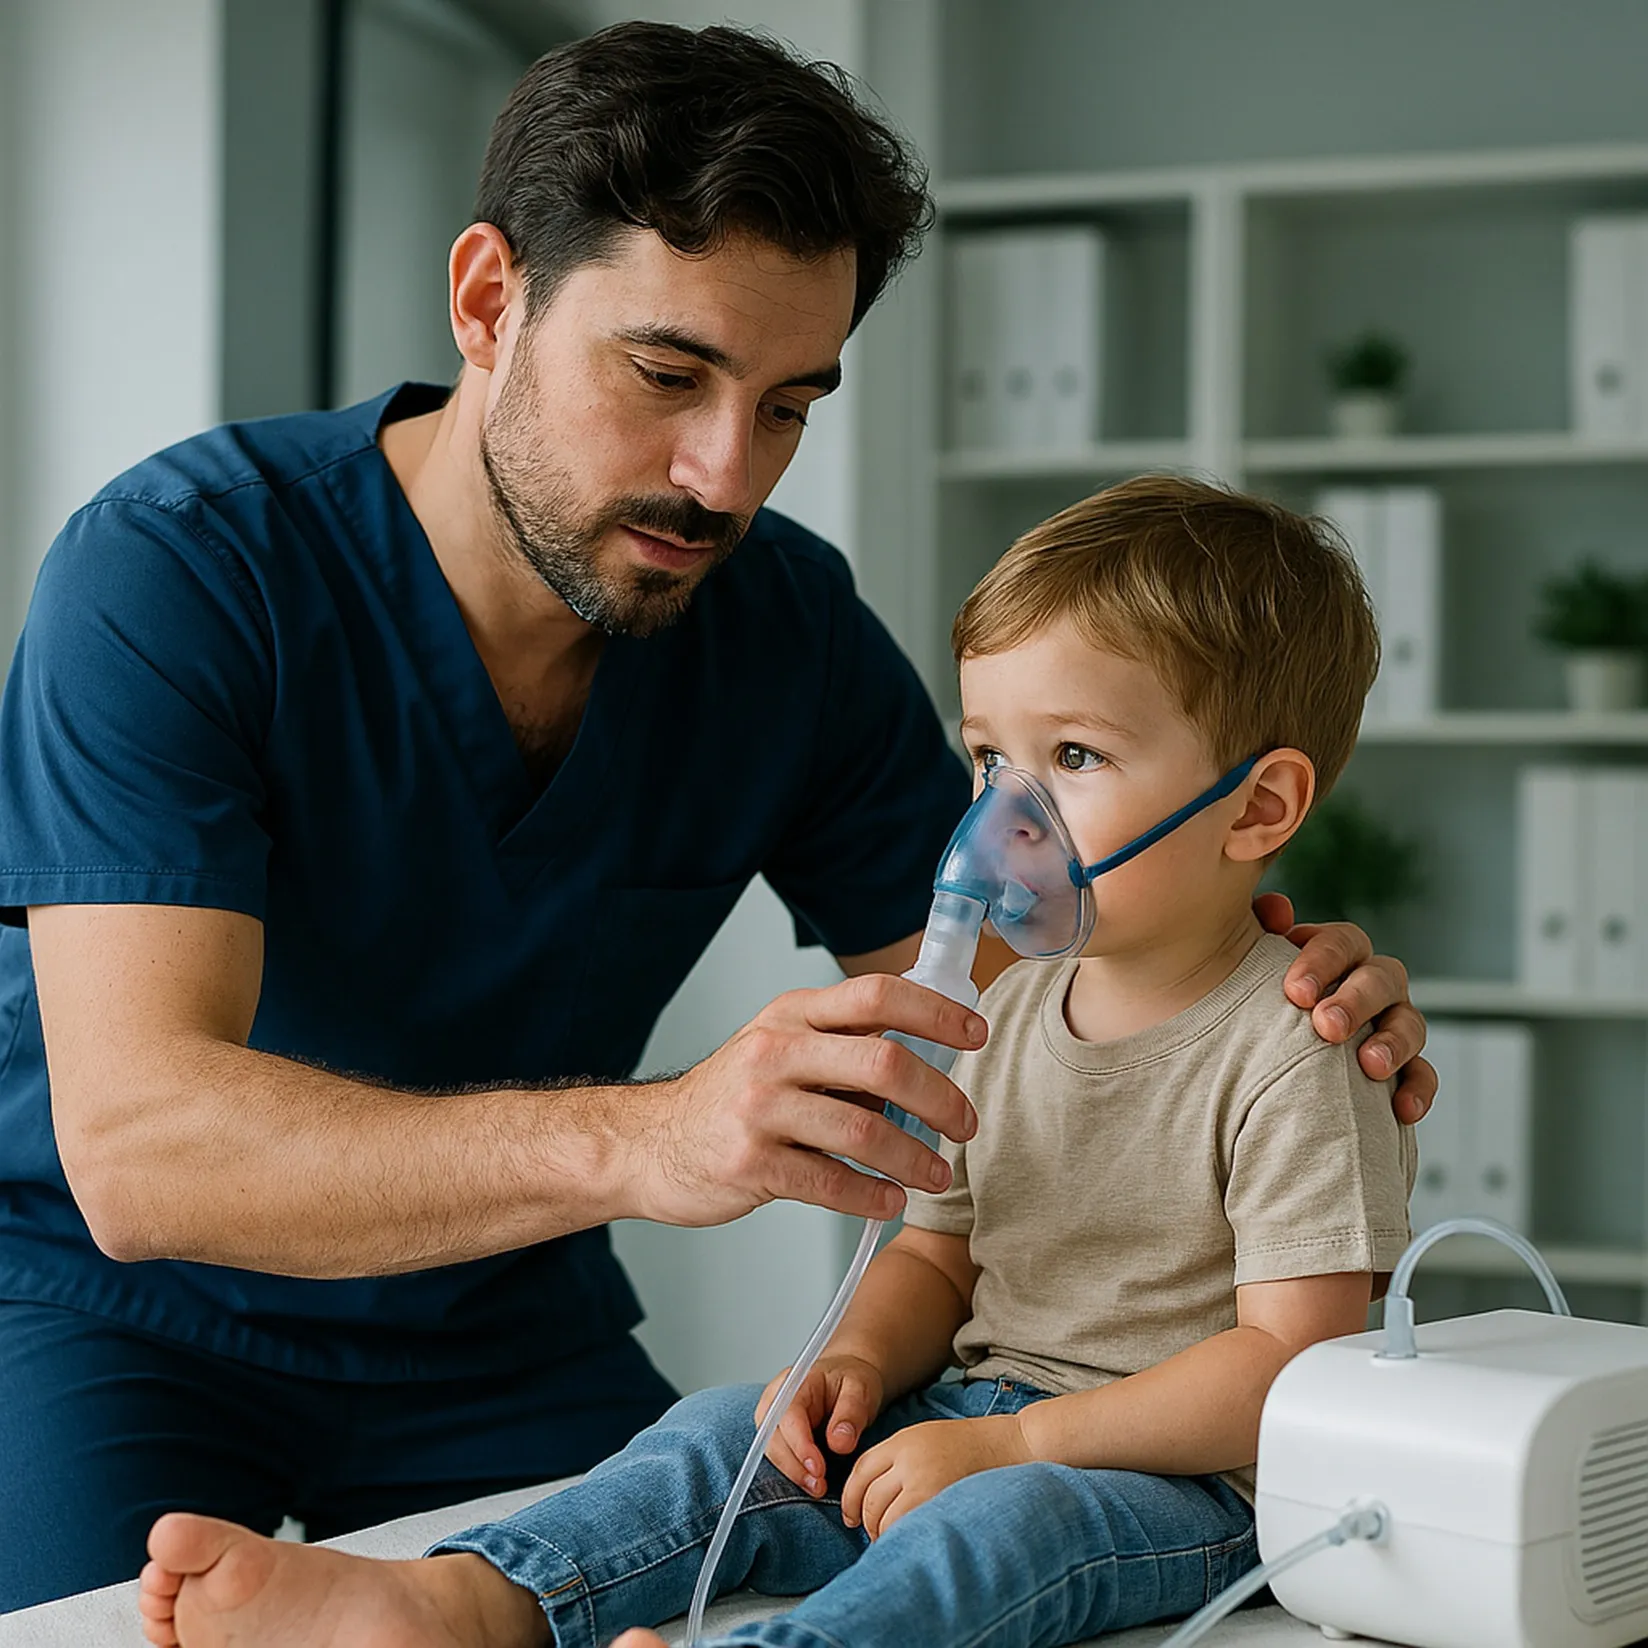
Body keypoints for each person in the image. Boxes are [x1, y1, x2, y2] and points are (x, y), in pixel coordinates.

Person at [0, 20, 1430, 1616]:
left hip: (499, 1315)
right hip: (123, 1315)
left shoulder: (781, 629)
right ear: (489, 301)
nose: (724, 477)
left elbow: (1022, 972)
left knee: (685, 1547)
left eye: (787, 405)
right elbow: (137, 1157)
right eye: (668, 375)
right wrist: (657, 1132)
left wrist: (1264, 981)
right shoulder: (180, 574)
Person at [137, 474, 1416, 1648]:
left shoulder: (1292, 1047)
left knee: (994, 1532)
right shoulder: (1005, 1012)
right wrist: (850, 1363)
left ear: (1256, 806)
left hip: (1169, 1481)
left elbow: (1287, 1368)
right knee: (723, 1433)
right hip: (977, 1417)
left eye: (1072, 759)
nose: (995, 818)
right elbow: (934, 1252)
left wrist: (1028, 1443)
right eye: (987, 756)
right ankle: (461, 1600)